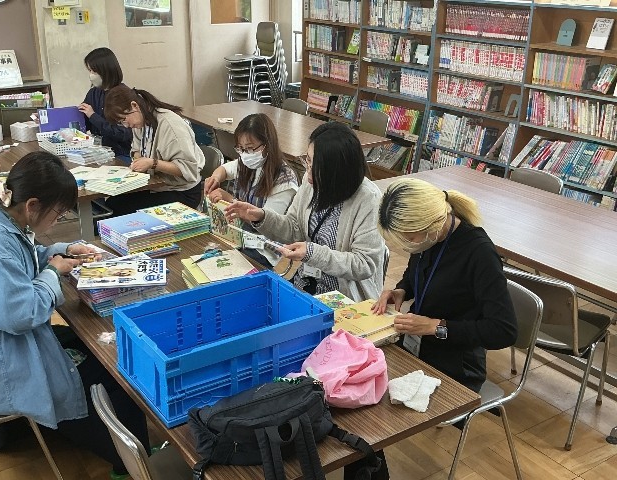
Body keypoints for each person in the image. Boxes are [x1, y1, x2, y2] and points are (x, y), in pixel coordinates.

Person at [0, 151, 150, 479]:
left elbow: (26, 258)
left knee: (91, 347)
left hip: (1, 340)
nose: (58, 221)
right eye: (58, 214)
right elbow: (20, 314)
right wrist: (53, 273)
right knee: (113, 368)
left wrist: (63, 251)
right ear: (32, 205)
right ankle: (128, 460)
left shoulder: (3, 219)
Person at [373, 177, 518, 392]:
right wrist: (402, 290)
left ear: (431, 225)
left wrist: (436, 327)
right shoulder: (428, 238)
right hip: (418, 343)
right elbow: (415, 272)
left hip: (456, 362)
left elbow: (503, 330)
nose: (407, 246)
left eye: (410, 239)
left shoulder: (479, 253)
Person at [224, 122, 385, 302]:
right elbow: (294, 229)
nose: (309, 172)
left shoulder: (368, 199)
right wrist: (262, 217)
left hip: (344, 298)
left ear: (339, 170)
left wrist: (312, 253)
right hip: (306, 284)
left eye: (319, 167)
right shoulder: (311, 183)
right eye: (308, 160)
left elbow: (365, 264)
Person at [204, 113, 298, 269]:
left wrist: (230, 201)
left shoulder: (284, 179)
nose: (245, 154)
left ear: (267, 145)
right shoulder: (248, 162)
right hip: (237, 235)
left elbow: (269, 224)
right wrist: (215, 178)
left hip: (263, 248)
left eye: (249, 148)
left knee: (220, 268)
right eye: (240, 149)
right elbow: (224, 169)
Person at [103, 84, 205, 214]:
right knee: (113, 202)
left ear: (134, 106)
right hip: (158, 184)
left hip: (182, 191)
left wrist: (153, 163)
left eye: (124, 119)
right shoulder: (141, 122)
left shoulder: (170, 125)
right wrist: (138, 158)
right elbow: (136, 149)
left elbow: (188, 169)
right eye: (121, 122)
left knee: (118, 209)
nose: (126, 125)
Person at [79, 48, 133, 162]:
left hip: (120, 153)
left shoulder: (123, 95)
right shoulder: (93, 93)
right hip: (99, 151)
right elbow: (85, 123)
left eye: (93, 71)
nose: (91, 75)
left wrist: (93, 116)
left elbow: (123, 133)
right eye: (89, 71)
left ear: (105, 71)